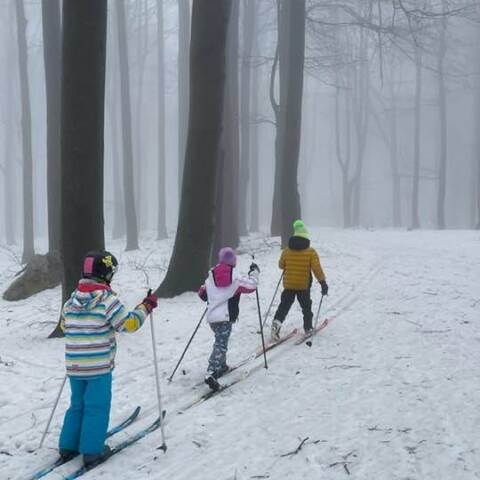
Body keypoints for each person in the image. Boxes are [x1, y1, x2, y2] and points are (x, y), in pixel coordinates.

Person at [58, 251, 158, 467]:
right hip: (98, 367)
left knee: (77, 405)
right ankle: (92, 451)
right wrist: (145, 307)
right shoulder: (107, 300)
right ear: (106, 274)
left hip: (75, 366)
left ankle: (68, 446)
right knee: (96, 407)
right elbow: (128, 324)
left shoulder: (71, 300)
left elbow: (65, 326)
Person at [198, 247, 259, 391]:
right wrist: (254, 273)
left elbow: (201, 293)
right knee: (221, 343)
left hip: (212, 318)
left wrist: (212, 296)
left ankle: (222, 365)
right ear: (234, 261)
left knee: (220, 340)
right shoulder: (236, 276)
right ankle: (212, 371)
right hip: (225, 317)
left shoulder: (211, 275)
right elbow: (252, 286)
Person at [271, 220, 328, 341]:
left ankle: (276, 324)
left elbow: (281, 265)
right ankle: (308, 328)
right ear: (306, 237)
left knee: (284, 306)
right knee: (306, 307)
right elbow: (316, 269)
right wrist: (323, 282)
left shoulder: (287, 250)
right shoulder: (311, 252)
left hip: (289, 285)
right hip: (303, 286)